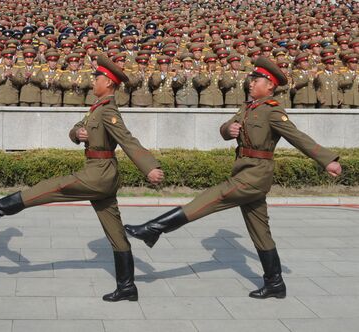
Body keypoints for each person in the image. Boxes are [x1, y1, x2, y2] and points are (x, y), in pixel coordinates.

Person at [125, 57, 342, 299]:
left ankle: (154, 228)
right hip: (243, 170)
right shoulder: (248, 108)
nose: (251, 84)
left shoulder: (272, 111)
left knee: (212, 196)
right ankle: (275, 283)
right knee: (260, 230)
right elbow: (225, 127)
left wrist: (327, 160)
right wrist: (228, 130)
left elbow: (298, 137)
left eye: (257, 80)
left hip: (256, 174)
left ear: (270, 85)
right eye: (251, 79)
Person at [0, 54, 164, 302]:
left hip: (97, 173)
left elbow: (128, 140)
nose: (94, 82)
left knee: (50, 187)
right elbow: (75, 128)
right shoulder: (97, 108)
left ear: (109, 83)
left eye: (98, 78)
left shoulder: (109, 110)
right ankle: (127, 287)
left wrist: (149, 167)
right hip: (100, 171)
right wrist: (78, 133)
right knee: (115, 231)